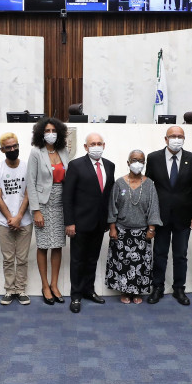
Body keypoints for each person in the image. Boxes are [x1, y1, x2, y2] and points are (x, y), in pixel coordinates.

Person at [144, 126, 192, 305]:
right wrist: (149, 216)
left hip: (184, 217)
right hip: (159, 216)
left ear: (184, 138)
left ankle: (179, 289)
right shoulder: (153, 158)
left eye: (180, 136)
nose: (176, 139)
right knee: (159, 253)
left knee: (180, 254)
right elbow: (149, 187)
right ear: (165, 139)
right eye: (173, 136)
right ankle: (158, 287)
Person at [63, 132, 115, 313]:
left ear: (104, 145)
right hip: (79, 223)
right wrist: (69, 222)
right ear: (85, 147)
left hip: (100, 223)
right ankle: (76, 295)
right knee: (77, 260)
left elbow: (108, 195)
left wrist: (110, 220)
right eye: (92, 143)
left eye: (99, 143)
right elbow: (67, 196)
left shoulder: (110, 166)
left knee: (92, 259)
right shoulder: (76, 165)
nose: (96, 146)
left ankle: (88, 290)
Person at [106, 150, 161, 303]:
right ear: (128, 162)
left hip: (142, 232)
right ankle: (124, 292)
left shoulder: (149, 184)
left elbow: (153, 207)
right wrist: (112, 227)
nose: (138, 163)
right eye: (134, 159)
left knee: (140, 264)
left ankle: (137, 292)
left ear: (144, 163)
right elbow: (112, 206)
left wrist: (152, 228)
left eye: (141, 160)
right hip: (121, 231)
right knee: (123, 264)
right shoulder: (119, 183)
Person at [26, 117, 69, 305]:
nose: (51, 134)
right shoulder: (36, 152)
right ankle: (44, 286)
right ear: (41, 133)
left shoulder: (63, 151)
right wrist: (36, 210)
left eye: (54, 131)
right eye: (47, 131)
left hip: (61, 202)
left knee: (57, 244)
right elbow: (31, 182)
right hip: (42, 203)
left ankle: (54, 284)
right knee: (43, 245)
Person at [0, 132, 32, 306]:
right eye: (9, 147)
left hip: (25, 221)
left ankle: (20, 290)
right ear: (2, 150)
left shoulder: (27, 166)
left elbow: (28, 194)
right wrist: (10, 218)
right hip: (3, 222)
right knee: (8, 259)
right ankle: (9, 290)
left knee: (22, 259)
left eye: (15, 146)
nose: (13, 149)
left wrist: (19, 217)